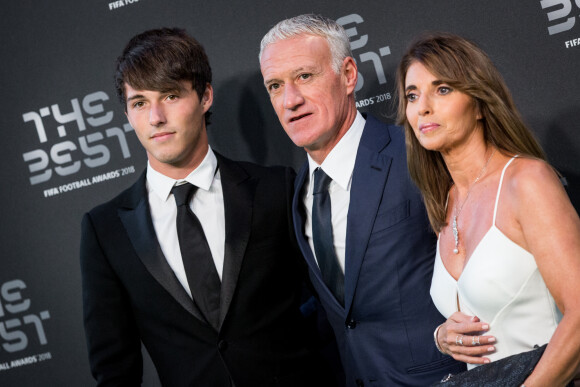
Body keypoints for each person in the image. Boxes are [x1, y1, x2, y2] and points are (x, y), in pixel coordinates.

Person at [80, 27, 333, 387]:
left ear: (205, 97)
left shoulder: (276, 188)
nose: (155, 117)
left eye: (170, 96)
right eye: (139, 103)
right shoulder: (104, 230)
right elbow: (114, 370)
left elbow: (328, 307)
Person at [259, 14, 465, 386]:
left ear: (349, 74)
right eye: (275, 85)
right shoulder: (296, 193)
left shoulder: (416, 153)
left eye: (305, 76)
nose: (290, 100)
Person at [396, 31, 580, 386]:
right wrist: (443, 337)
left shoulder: (525, 181)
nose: (424, 107)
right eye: (413, 95)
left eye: (443, 89)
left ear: (479, 103)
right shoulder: (445, 200)